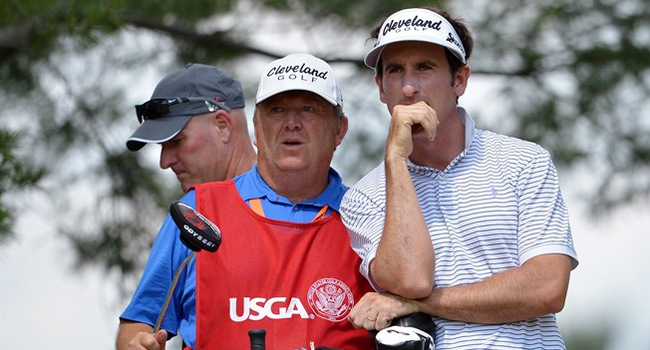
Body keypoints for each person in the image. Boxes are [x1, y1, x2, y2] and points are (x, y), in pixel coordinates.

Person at [342, 7, 579, 349]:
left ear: (459, 80)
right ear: (381, 87)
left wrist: (420, 305)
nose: (409, 88)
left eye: (425, 67)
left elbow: (546, 288)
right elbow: (411, 280)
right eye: (395, 71)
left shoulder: (524, 161)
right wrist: (396, 159)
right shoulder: (363, 196)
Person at [117, 53, 374, 350]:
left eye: (308, 109)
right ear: (256, 127)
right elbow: (138, 324)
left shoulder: (370, 218)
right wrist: (134, 344)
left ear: (339, 130)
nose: (292, 123)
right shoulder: (197, 211)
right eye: (276, 110)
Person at [126, 63, 256, 192]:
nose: (164, 163)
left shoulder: (274, 206)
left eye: (176, 142)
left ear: (222, 126)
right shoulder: (187, 211)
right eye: (162, 145)